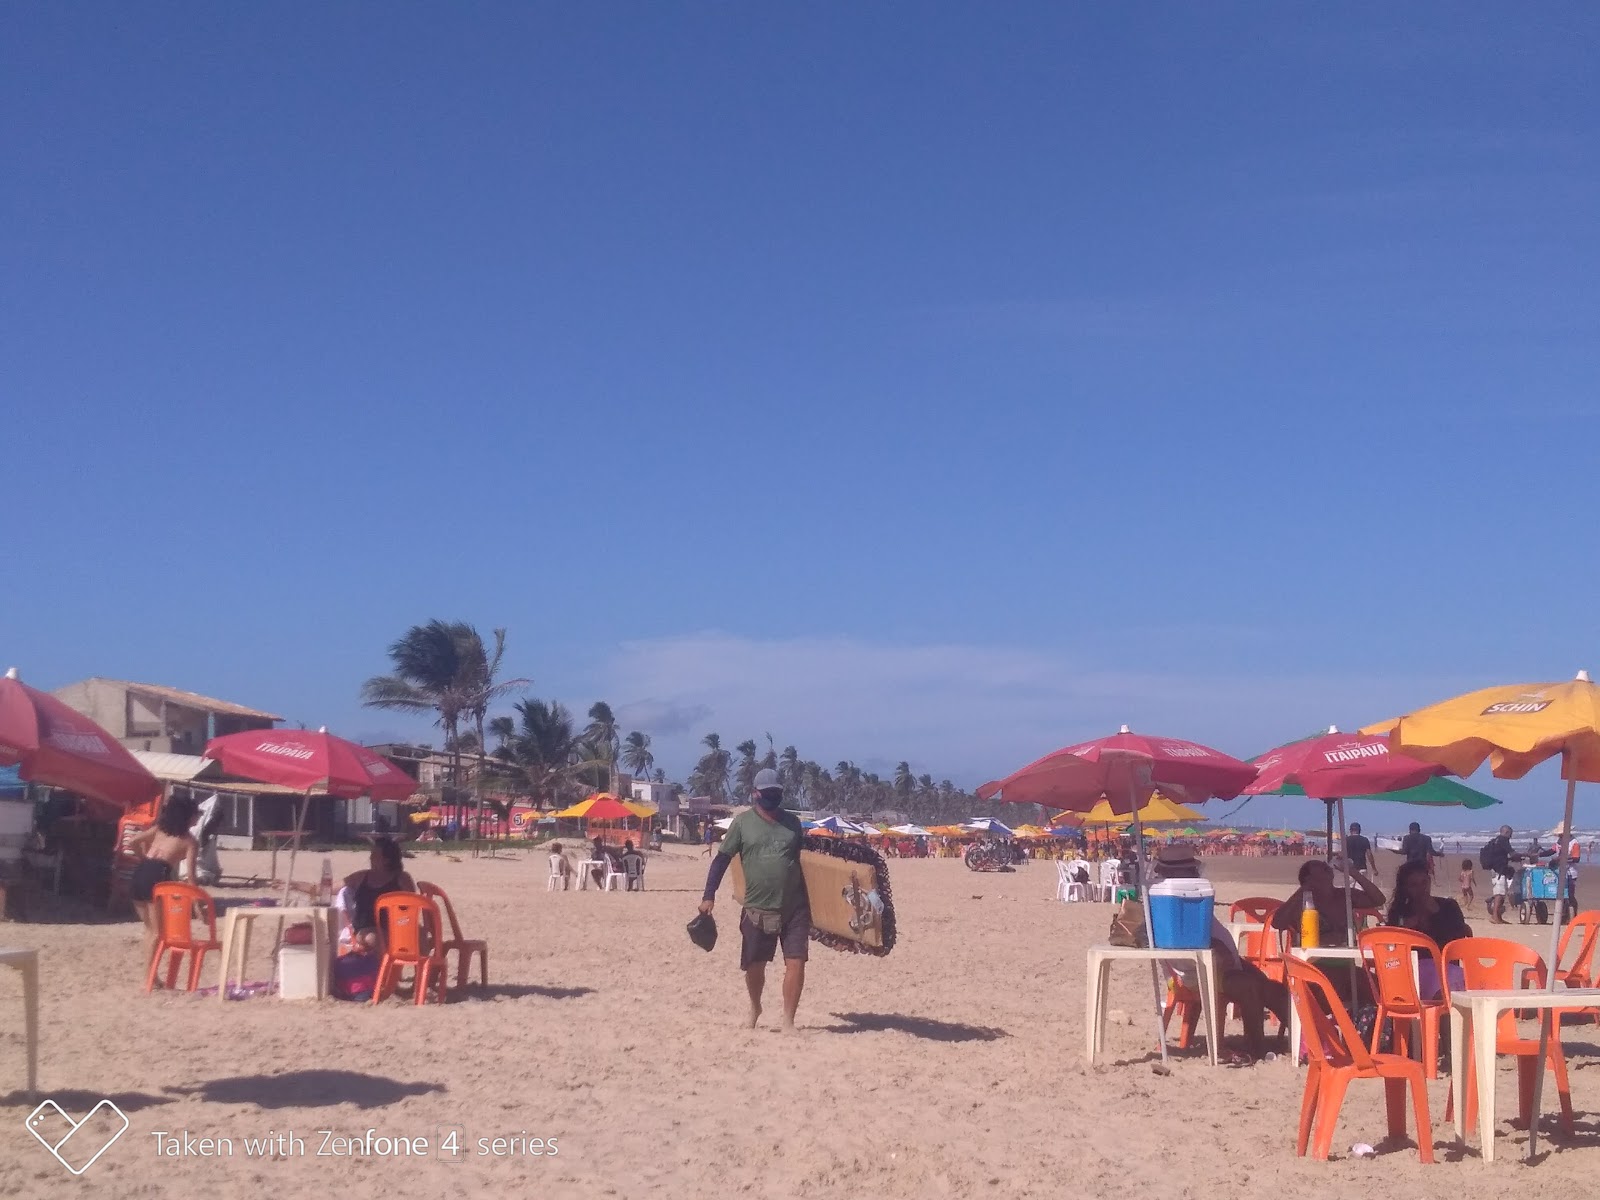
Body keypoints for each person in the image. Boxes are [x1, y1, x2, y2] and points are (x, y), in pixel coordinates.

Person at [1151, 846, 1288, 1062]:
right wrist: (1216, 946)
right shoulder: (1171, 899)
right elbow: (1187, 939)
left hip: (1217, 965)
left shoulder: (1180, 896)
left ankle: (1300, 1036)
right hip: (1200, 971)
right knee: (1252, 987)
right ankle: (1257, 1045)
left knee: (1271, 986)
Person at [698, 768, 809, 1030]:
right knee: (754, 966)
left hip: (794, 907)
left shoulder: (793, 824)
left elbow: (809, 863)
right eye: (768, 793)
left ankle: (788, 1020)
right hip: (757, 908)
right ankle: (755, 1006)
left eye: (777, 793)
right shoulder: (742, 824)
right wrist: (708, 896)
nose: (773, 797)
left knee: (796, 962)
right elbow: (721, 860)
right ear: (755, 794)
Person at [126, 795, 200, 972]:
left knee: (150, 930)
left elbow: (133, 841)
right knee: (158, 933)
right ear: (188, 816)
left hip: (140, 872)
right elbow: (190, 877)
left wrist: (143, 857)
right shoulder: (189, 841)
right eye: (197, 813)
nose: (199, 816)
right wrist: (197, 905)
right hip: (158, 877)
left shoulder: (160, 829)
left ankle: (150, 975)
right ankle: (149, 978)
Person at [1271, 857, 1387, 949]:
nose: (1325, 865)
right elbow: (1277, 923)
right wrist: (1303, 890)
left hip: (1343, 961)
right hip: (1312, 962)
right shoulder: (1303, 902)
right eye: (1319, 865)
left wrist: (1353, 872)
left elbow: (1379, 899)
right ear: (1309, 878)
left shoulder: (1344, 895)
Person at [340, 836, 416, 952]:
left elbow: (413, 906)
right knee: (375, 938)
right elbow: (328, 888)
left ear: (387, 860)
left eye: (374, 855)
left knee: (419, 934)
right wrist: (303, 886)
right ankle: (386, 970)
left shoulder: (401, 878)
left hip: (396, 926)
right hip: (366, 929)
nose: (370, 858)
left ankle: (426, 969)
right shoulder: (361, 877)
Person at [1387, 859, 1473, 949]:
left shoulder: (1449, 906)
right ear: (1405, 888)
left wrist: (1437, 913)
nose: (1421, 888)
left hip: (1443, 960)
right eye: (1414, 885)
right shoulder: (1400, 911)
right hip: (1411, 960)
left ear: (1429, 881)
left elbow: (1458, 940)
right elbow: (1390, 944)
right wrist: (1404, 927)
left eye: (1424, 882)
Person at [1480, 824, 1520, 925]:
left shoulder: (1496, 840)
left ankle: (1498, 917)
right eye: (1511, 834)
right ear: (1506, 832)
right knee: (1499, 894)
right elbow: (1512, 853)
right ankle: (1494, 917)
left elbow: (1501, 855)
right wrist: (1526, 855)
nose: (1511, 836)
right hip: (1499, 871)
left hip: (1497, 869)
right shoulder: (1503, 840)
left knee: (1501, 894)